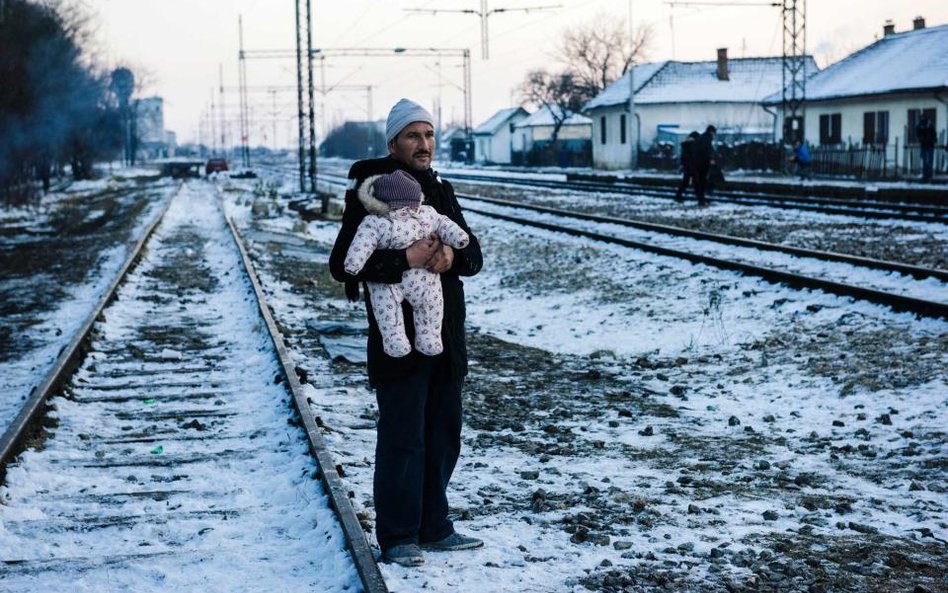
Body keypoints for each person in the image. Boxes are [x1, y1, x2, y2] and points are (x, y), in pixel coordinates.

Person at [329, 98, 484, 567]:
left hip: (445, 331)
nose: (424, 144)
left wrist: (452, 259)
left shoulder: (441, 187)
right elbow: (343, 264)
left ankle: (435, 527)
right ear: (393, 142)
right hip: (398, 337)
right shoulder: (372, 190)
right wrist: (406, 260)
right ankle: (398, 536)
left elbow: (473, 252)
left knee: (443, 433)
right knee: (403, 435)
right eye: (413, 136)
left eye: (429, 135)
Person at [344, 169, 470, 358]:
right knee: (397, 308)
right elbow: (360, 244)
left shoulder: (430, 206)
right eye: (412, 136)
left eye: (429, 136)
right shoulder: (376, 221)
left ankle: (426, 338)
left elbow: (445, 224)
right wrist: (355, 263)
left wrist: (455, 245)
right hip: (391, 283)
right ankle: (397, 341)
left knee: (427, 304)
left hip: (423, 280)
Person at [692, 125, 716, 206]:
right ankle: (701, 200)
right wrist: (711, 159)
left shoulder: (701, 138)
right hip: (703, 163)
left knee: (700, 181)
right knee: (703, 182)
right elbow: (708, 150)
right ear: (711, 132)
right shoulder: (707, 139)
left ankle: (701, 199)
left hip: (697, 163)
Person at [674, 131, 700, 202]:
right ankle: (700, 198)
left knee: (686, 182)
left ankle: (678, 196)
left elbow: (684, 157)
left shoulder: (686, 145)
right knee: (696, 182)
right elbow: (694, 157)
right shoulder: (694, 146)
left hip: (687, 166)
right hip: (692, 166)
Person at [915, 115, 936, 182]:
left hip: (928, 144)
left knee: (928, 160)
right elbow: (917, 133)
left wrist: (933, 139)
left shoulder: (928, 125)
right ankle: (926, 174)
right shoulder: (922, 125)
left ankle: (928, 174)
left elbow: (934, 134)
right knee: (926, 160)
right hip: (925, 144)